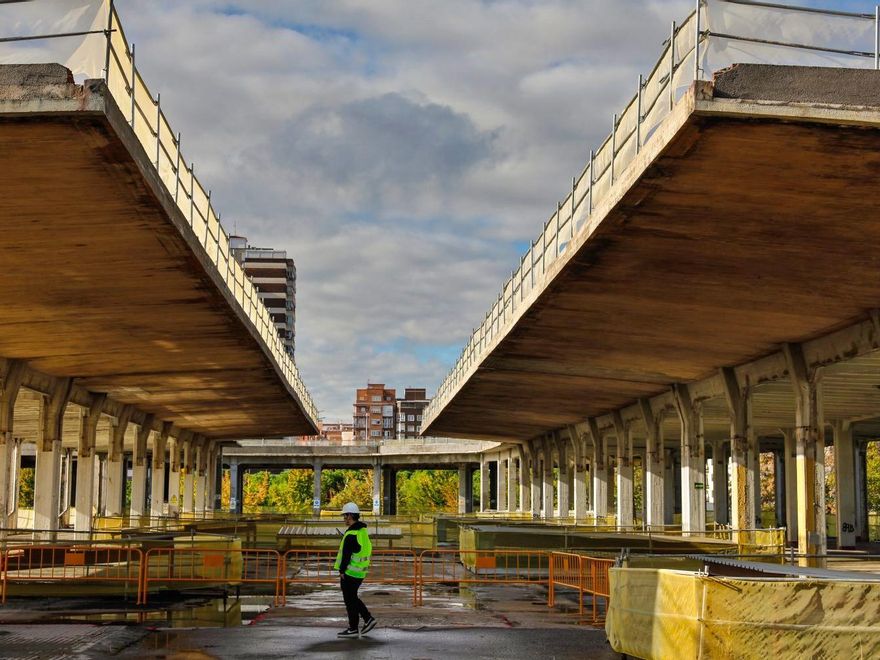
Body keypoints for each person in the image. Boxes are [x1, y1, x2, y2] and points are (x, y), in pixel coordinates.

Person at [333, 502, 377, 638]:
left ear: (350, 515)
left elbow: (346, 555)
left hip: (350, 573)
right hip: (360, 572)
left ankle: (359, 624)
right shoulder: (362, 531)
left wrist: (341, 571)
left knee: (350, 600)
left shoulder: (351, 534)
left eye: (345, 516)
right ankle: (365, 620)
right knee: (352, 599)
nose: (344, 518)